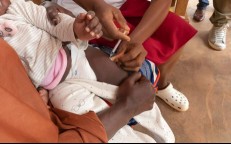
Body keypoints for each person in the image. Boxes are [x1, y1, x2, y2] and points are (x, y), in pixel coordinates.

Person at [0, 0, 174, 142]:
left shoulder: (16, 8)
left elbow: (53, 24)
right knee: (93, 119)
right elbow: (17, 83)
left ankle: (163, 132)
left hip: (76, 55)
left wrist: (77, 30)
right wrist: (37, 96)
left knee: (132, 83)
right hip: (58, 87)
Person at [45, 0, 198, 112]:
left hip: (124, 9)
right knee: (102, 78)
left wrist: (135, 40)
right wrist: (95, 5)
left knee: (174, 30)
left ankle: (162, 86)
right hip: (69, 11)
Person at [0, 38, 155, 142]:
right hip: (68, 118)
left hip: (55, 82)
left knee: (141, 73)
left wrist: (69, 28)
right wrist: (126, 108)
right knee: (142, 76)